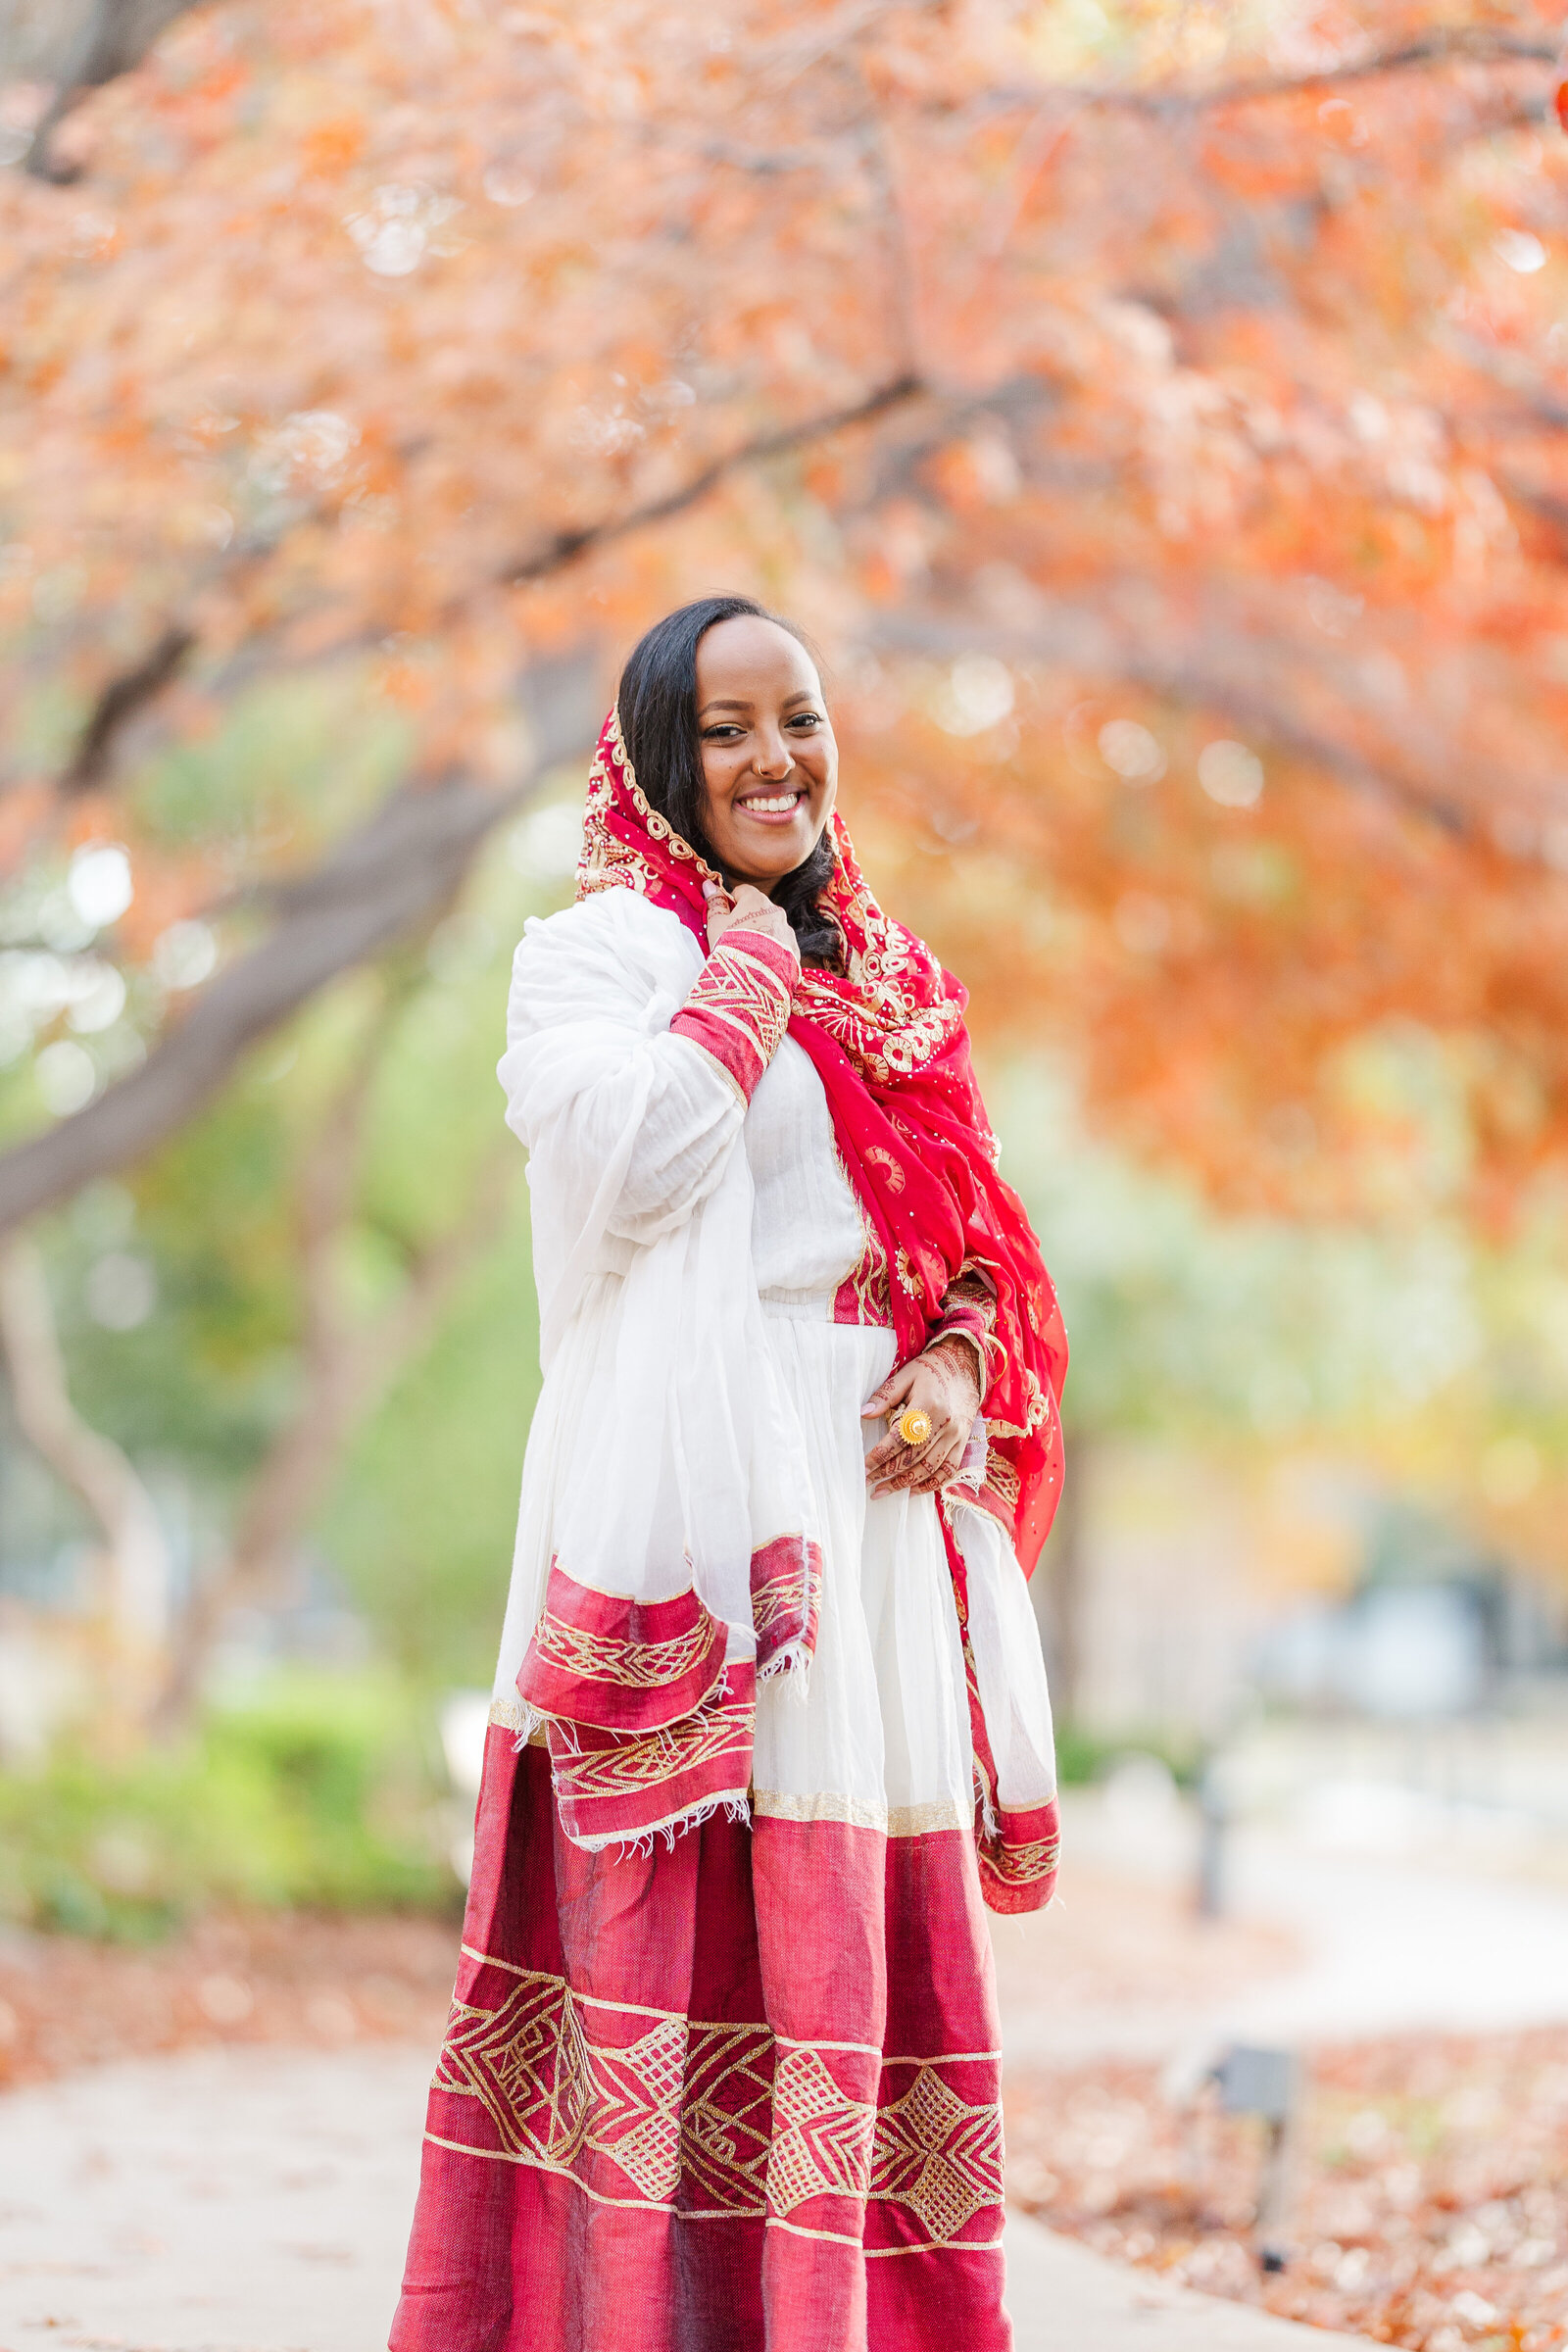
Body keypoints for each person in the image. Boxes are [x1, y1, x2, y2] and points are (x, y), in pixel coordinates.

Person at [391, 596, 1068, 2352]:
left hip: (868, 1495)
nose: (776, 759)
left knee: (849, 1915)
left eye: (803, 718)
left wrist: (951, 1359)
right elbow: (630, 1165)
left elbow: (975, 1235)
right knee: (690, 1920)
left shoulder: (898, 977)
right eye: (726, 729)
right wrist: (746, 972)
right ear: (655, 758)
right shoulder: (594, 955)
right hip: (698, 1488)